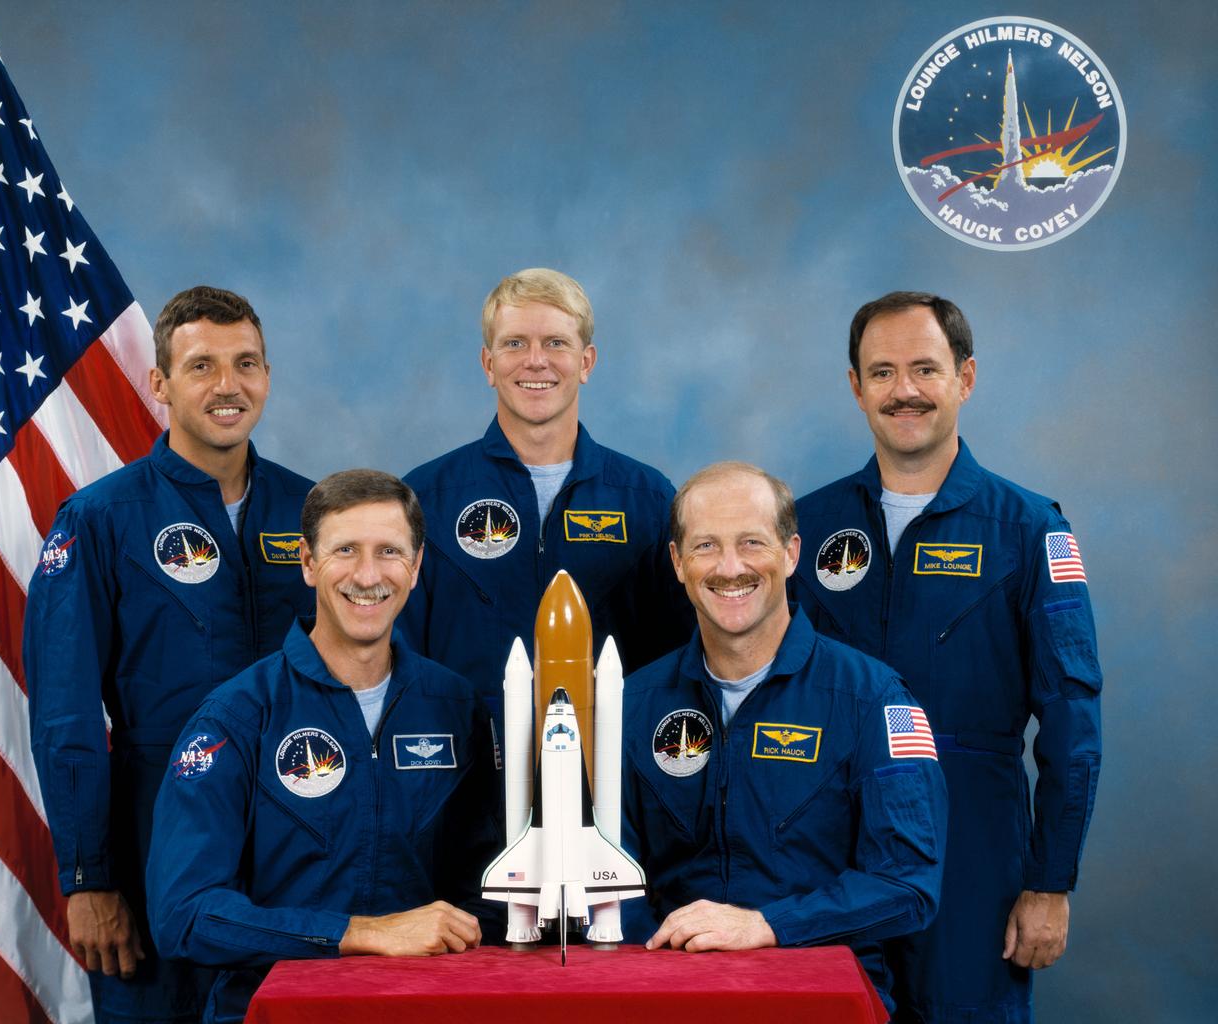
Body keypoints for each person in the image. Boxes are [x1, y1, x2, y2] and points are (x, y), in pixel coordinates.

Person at [791, 292, 1103, 1023]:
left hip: (974, 842)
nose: (904, 391)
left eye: (925, 369)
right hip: (825, 840)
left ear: (965, 378)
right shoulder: (805, 526)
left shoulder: (1029, 530)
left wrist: (1051, 882)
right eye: (883, 372)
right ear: (855, 385)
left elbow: (1072, 717)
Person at [24, 286, 315, 1023]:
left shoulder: (315, 514)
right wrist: (89, 877)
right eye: (202, 366)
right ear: (159, 384)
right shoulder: (99, 520)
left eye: (246, 363)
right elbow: (66, 712)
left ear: (269, 376)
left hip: (299, 839)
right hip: (156, 838)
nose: (228, 385)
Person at [147, 470, 499, 1023]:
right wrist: (358, 934)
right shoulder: (238, 718)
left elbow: (486, 880)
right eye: (345, 551)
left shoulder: (453, 706)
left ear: (416, 565)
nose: (367, 574)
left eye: (389, 551)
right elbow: (185, 915)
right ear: (308, 564)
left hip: (427, 1005)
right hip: (278, 1009)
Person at [621, 461, 947, 1008]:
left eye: (752, 542)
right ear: (677, 563)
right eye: (705, 546)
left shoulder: (873, 700)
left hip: (818, 994)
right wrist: (657, 968)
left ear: (792, 553)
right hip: (667, 990)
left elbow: (908, 885)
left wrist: (768, 925)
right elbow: (611, 878)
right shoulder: (632, 704)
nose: (729, 568)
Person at [400, 268, 691, 716]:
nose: (536, 361)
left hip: (610, 773)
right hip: (464, 771)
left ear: (587, 362)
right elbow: (398, 658)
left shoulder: (647, 500)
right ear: (488, 364)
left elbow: (682, 656)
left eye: (556, 343)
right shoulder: (427, 497)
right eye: (515, 343)